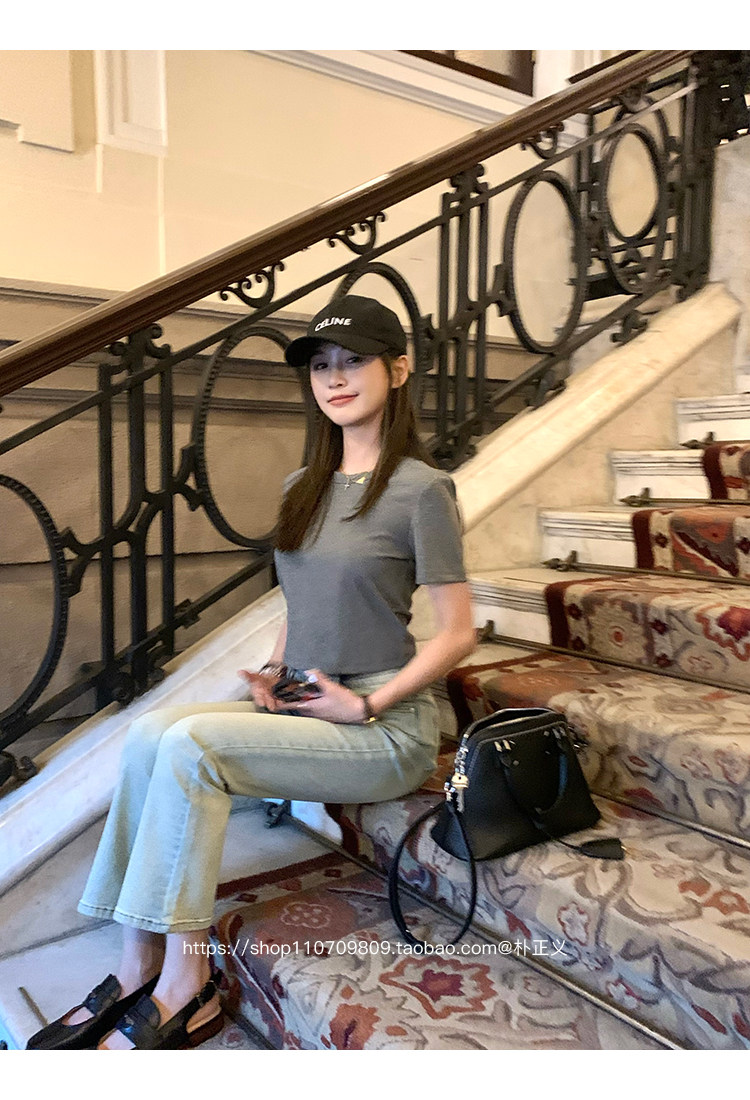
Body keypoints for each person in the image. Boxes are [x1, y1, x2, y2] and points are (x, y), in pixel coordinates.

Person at [26, 294, 475, 1050]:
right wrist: (275, 670)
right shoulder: (303, 484)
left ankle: (186, 981)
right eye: (321, 366)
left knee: (192, 748)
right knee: (151, 733)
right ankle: (137, 963)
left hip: (384, 726)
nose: (335, 379)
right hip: (308, 701)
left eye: (354, 361)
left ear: (399, 370)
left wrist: (368, 706)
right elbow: (301, 599)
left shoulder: (421, 490)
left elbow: (458, 633)